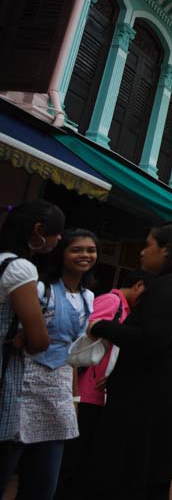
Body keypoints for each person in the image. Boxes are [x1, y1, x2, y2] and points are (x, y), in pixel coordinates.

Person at [88, 220, 172, 500]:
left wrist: (99, 327)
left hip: (149, 404)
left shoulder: (170, 287)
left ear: (167, 251)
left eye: (148, 245)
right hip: (165, 399)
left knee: (134, 483)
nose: (143, 252)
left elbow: (151, 339)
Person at [15, 228, 97, 500]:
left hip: (60, 387)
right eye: (77, 249)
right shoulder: (40, 289)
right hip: (25, 383)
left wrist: (73, 397)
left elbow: (74, 353)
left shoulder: (88, 297)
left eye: (90, 250)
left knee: (44, 481)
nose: (85, 255)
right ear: (61, 254)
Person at [58, 268, 150, 498]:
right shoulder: (112, 301)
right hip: (86, 393)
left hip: (98, 395)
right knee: (73, 459)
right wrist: (76, 393)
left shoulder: (126, 309)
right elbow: (80, 341)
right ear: (139, 285)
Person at [0, 201, 62, 494]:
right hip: (5, 380)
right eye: (56, 233)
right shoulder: (21, 269)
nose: (59, 239)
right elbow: (39, 341)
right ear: (38, 231)